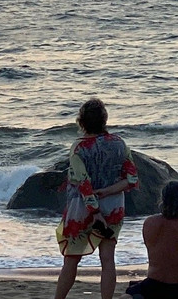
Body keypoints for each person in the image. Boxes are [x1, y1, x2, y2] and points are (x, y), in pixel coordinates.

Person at [55, 98, 139, 299]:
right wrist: (108, 191)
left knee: (71, 260)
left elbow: (84, 185)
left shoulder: (79, 148)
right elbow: (132, 179)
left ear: (81, 122)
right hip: (114, 207)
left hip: (82, 210)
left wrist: (94, 213)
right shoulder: (119, 143)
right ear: (105, 120)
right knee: (108, 259)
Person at [124, 181, 178, 299]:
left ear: (163, 199)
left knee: (129, 293)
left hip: (155, 285)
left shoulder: (150, 222)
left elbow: (151, 246)